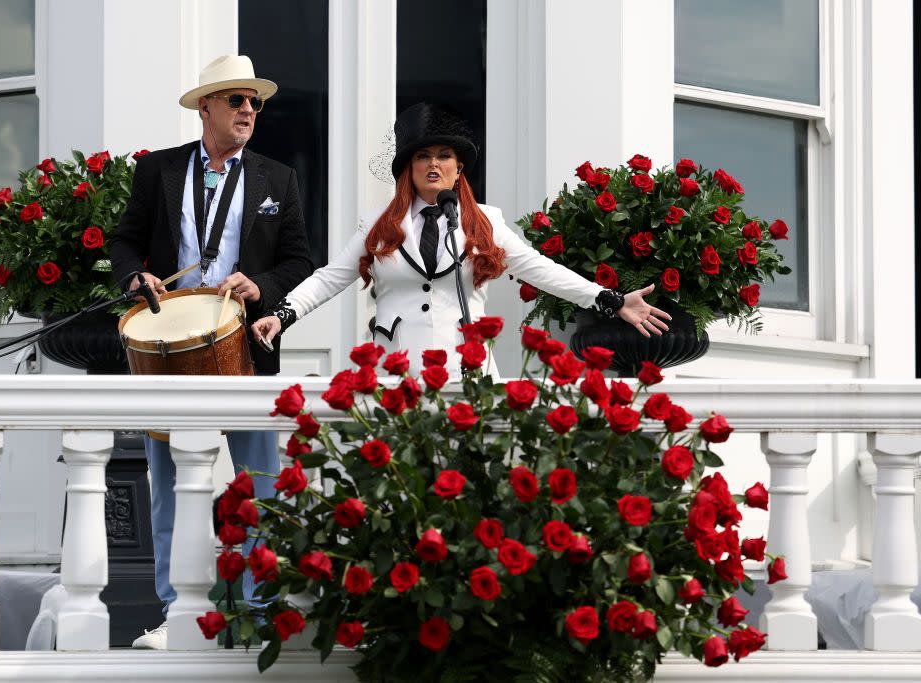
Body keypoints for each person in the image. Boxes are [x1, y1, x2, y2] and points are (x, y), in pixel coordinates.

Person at [110, 54, 314, 649]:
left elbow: (299, 259)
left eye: (255, 102)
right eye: (237, 100)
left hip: (244, 341)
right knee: (169, 482)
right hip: (171, 343)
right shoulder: (158, 171)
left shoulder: (278, 177)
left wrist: (263, 287)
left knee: (261, 483)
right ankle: (176, 613)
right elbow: (125, 241)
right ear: (207, 108)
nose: (249, 110)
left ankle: (257, 609)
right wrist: (134, 278)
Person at [251, 102, 669, 375]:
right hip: (396, 373)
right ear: (408, 168)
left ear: (458, 168)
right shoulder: (378, 224)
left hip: (466, 372)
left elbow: (540, 269)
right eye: (422, 156)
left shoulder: (484, 222)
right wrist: (282, 314)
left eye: (444, 156)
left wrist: (610, 300)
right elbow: (330, 277)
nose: (433, 164)